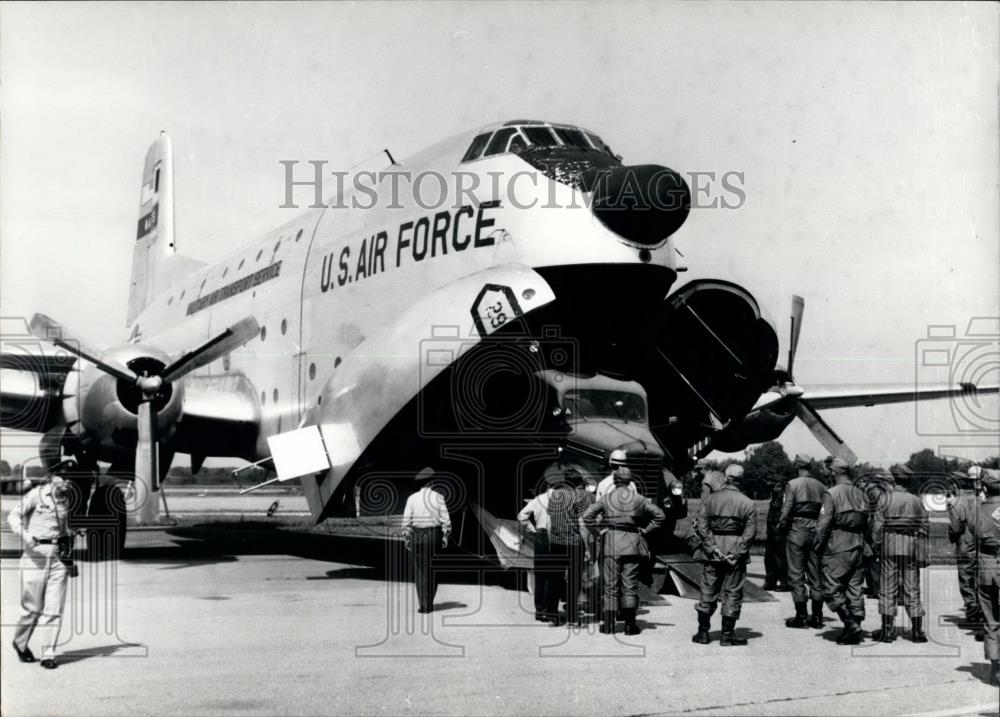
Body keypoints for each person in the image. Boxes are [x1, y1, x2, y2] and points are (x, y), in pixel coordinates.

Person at [8, 462, 75, 669]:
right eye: (63, 478)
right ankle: (20, 642)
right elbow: (13, 516)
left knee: (54, 608)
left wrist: (69, 552)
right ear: (53, 477)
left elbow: (66, 528)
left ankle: (48, 654)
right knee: (33, 608)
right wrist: (26, 536)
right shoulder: (36, 495)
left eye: (70, 479)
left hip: (58, 558)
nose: (67, 482)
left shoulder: (67, 499)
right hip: (35, 556)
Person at [582, 467, 664, 635]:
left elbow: (587, 516)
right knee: (630, 585)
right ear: (629, 481)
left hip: (611, 543)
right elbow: (660, 516)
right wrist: (646, 530)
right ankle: (629, 625)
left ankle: (609, 625)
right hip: (632, 544)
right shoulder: (639, 499)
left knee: (610, 586)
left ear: (615, 481)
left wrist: (597, 532)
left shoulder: (606, 498)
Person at [690, 464, 757, 647]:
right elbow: (750, 532)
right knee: (733, 592)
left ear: (725, 477)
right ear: (740, 480)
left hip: (713, 552)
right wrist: (736, 552)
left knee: (707, 590)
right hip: (735, 551)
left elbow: (702, 526)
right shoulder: (747, 503)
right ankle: (727, 636)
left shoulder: (710, 499)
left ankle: (703, 633)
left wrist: (712, 547)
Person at [870, 465, 929, 643]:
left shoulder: (885, 498)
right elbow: (925, 525)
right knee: (912, 587)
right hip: (910, 544)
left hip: (890, 543)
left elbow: (877, 526)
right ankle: (917, 631)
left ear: (894, 479)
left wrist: (876, 544)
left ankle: (887, 631)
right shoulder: (916, 500)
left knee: (888, 587)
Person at [814, 457, 870, 645]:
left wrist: (817, 546)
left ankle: (849, 623)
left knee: (831, 585)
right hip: (859, 543)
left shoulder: (831, 494)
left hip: (838, 543)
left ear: (835, 473)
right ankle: (855, 625)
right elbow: (869, 522)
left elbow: (823, 524)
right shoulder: (861, 494)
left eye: (830, 471)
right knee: (855, 587)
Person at [780, 454, 827, 627]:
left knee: (796, 573)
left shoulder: (792, 484)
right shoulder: (822, 486)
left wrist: (782, 526)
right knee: (816, 575)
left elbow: (786, 510)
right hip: (816, 530)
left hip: (797, 529)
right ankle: (817, 616)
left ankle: (801, 616)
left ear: (797, 465)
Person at [546, 467, 593, 626]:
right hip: (573, 543)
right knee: (574, 581)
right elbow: (581, 524)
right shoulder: (576, 497)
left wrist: (551, 539)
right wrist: (586, 548)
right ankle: (572, 619)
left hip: (556, 542)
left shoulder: (554, 496)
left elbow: (549, 520)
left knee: (554, 579)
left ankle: (552, 616)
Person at [401, 467, 451, 614]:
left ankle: (422, 604)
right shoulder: (438, 498)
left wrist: (407, 537)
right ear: (432, 483)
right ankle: (429, 603)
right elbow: (446, 520)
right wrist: (445, 535)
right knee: (432, 569)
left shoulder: (412, 498)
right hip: (433, 535)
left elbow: (406, 521)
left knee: (419, 570)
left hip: (417, 535)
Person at [967, 468, 1000, 686]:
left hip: (986, 567)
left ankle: (996, 670)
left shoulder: (976, 511)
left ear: (985, 488)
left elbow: (971, 544)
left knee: (991, 621)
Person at [518, 467, 556, 621]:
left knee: (540, 573)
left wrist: (532, 529)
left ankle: (539, 610)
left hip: (540, 536)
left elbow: (521, 516)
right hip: (556, 537)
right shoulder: (564, 499)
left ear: (547, 485)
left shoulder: (538, 499)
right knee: (553, 574)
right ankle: (549, 609)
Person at [949, 466, 983, 633]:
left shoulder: (957, 502)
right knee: (978, 577)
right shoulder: (980, 499)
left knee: (965, 578)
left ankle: (972, 611)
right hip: (981, 545)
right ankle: (982, 610)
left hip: (965, 545)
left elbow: (955, 528)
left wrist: (952, 535)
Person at [763, 467, 789, 592]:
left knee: (781, 558)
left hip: (779, 531)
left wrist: (780, 526)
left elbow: (784, 513)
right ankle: (771, 582)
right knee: (770, 558)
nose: (768, 485)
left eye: (771, 483)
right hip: (772, 531)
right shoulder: (775, 495)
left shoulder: (783, 496)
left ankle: (785, 583)